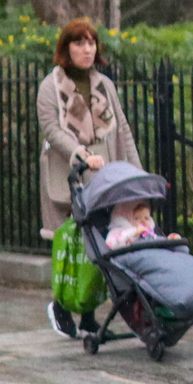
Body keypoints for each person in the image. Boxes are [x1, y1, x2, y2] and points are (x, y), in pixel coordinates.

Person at [36, 19, 137, 241]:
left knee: (108, 243)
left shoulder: (105, 85)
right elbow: (52, 131)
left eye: (92, 43)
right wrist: (81, 154)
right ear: (66, 48)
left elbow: (123, 130)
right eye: (80, 43)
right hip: (69, 176)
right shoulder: (50, 87)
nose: (87, 50)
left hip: (105, 178)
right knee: (72, 248)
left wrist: (137, 174)